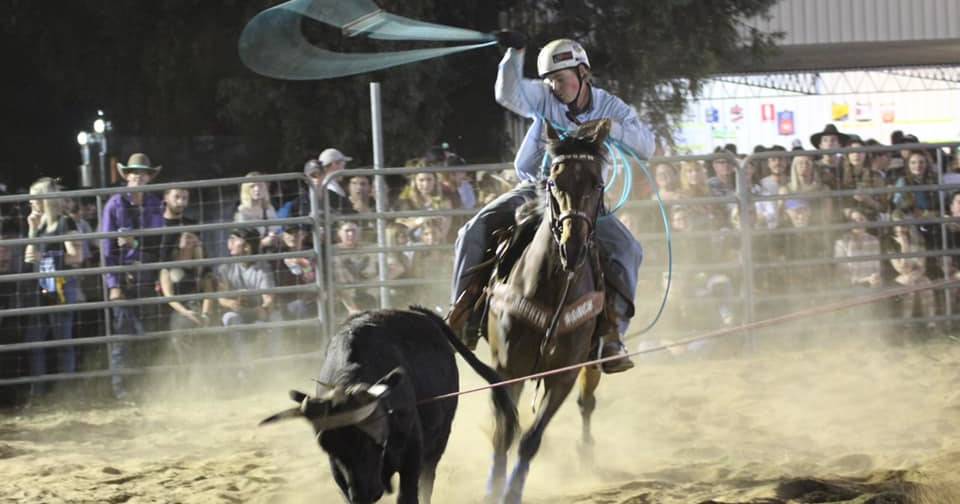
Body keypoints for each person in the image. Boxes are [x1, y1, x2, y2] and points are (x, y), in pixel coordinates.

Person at [450, 33, 655, 373]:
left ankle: (613, 334)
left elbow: (646, 146)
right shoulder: (543, 97)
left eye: (561, 79)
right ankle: (462, 311)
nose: (556, 87)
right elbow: (509, 93)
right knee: (473, 230)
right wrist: (514, 55)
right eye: (550, 81)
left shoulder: (612, 107)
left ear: (583, 73)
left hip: (586, 200)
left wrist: (613, 128)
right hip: (535, 189)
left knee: (628, 250)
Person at [101, 153, 165, 400]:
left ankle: (147, 385)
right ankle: (121, 389)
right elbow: (107, 248)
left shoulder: (154, 203)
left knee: (148, 332)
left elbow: (156, 240)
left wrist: (135, 241)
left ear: (149, 177)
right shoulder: (115, 204)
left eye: (143, 173)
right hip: (125, 277)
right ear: (126, 176)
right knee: (123, 334)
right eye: (134, 172)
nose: (138, 177)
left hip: (148, 276)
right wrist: (113, 284)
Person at [22, 178, 84, 398]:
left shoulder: (65, 223)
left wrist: (47, 255)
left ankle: (67, 392)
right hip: (44, 288)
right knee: (34, 341)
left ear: (44, 200)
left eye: (34, 200)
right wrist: (32, 230)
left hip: (61, 288)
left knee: (63, 341)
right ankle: (38, 392)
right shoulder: (41, 226)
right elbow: (30, 257)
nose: (31, 204)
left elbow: (77, 257)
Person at [216, 228, 282, 369]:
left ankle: (274, 366)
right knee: (230, 318)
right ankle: (245, 369)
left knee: (276, 318)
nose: (230, 243)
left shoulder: (263, 268)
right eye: (230, 239)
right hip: (237, 312)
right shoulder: (225, 268)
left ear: (247, 247)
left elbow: (269, 300)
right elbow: (221, 298)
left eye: (234, 239)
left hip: (258, 312)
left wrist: (262, 310)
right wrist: (232, 303)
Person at [234, 172, 281, 250]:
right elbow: (242, 245)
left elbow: (277, 230)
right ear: (246, 189)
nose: (257, 189)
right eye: (252, 186)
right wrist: (263, 243)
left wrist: (274, 236)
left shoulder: (269, 208)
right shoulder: (242, 212)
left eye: (260, 185)